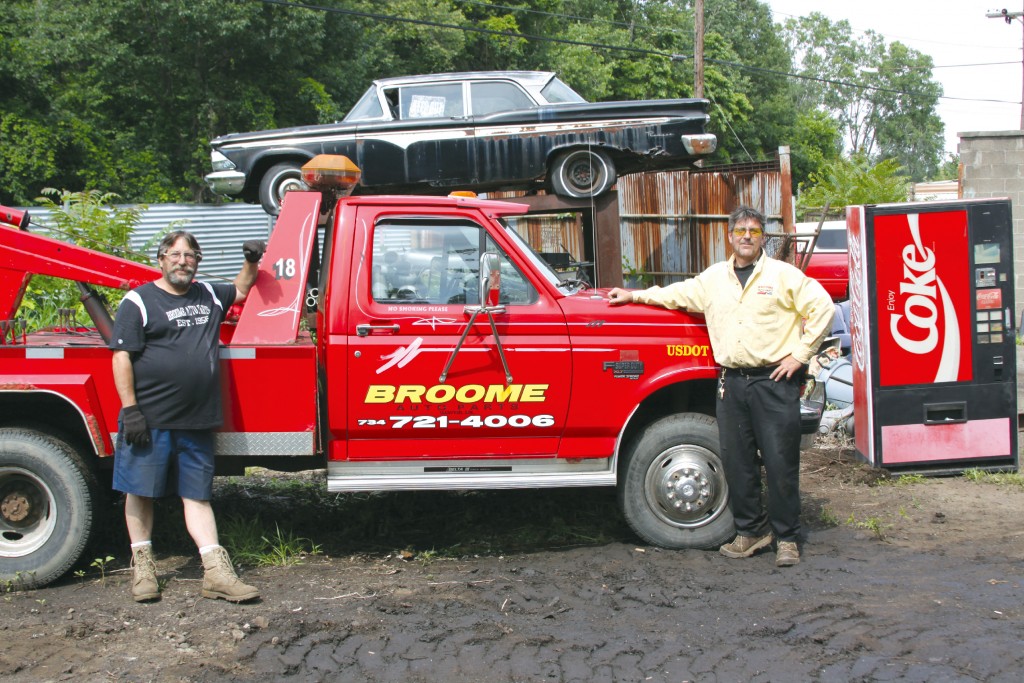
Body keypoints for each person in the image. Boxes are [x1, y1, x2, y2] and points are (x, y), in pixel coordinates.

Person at [608, 206, 833, 567]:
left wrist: (800, 355)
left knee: (779, 463)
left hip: (775, 380)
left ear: (762, 237)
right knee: (738, 463)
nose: (747, 236)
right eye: (741, 230)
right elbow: (676, 294)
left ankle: (787, 537)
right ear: (730, 236)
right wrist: (634, 296)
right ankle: (751, 532)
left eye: (755, 231)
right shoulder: (713, 279)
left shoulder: (782, 275)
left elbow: (822, 306)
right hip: (732, 383)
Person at [110, 230, 266, 602]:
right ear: (161, 258)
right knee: (139, 492)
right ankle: (143, 569)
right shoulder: (139, 301)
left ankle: (215, 573)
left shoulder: (209, 294)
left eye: (190, 255)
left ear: (198, 261)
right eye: (175, 254)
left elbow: (241, 288)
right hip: (151, 419)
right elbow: (121, 357)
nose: (183, 261)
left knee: (196, 496)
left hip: (197, 420)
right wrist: (131, 410)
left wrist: (251, 258)